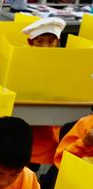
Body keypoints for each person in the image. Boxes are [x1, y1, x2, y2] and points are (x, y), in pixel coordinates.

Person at [22, 18, 66, 165]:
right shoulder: (20, 62)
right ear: (30, 43)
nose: (46, 47)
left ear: (58, 43)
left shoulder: (66, 66)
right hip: (21, 136)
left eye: (51, 42)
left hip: (49, 139)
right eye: (40, 42)